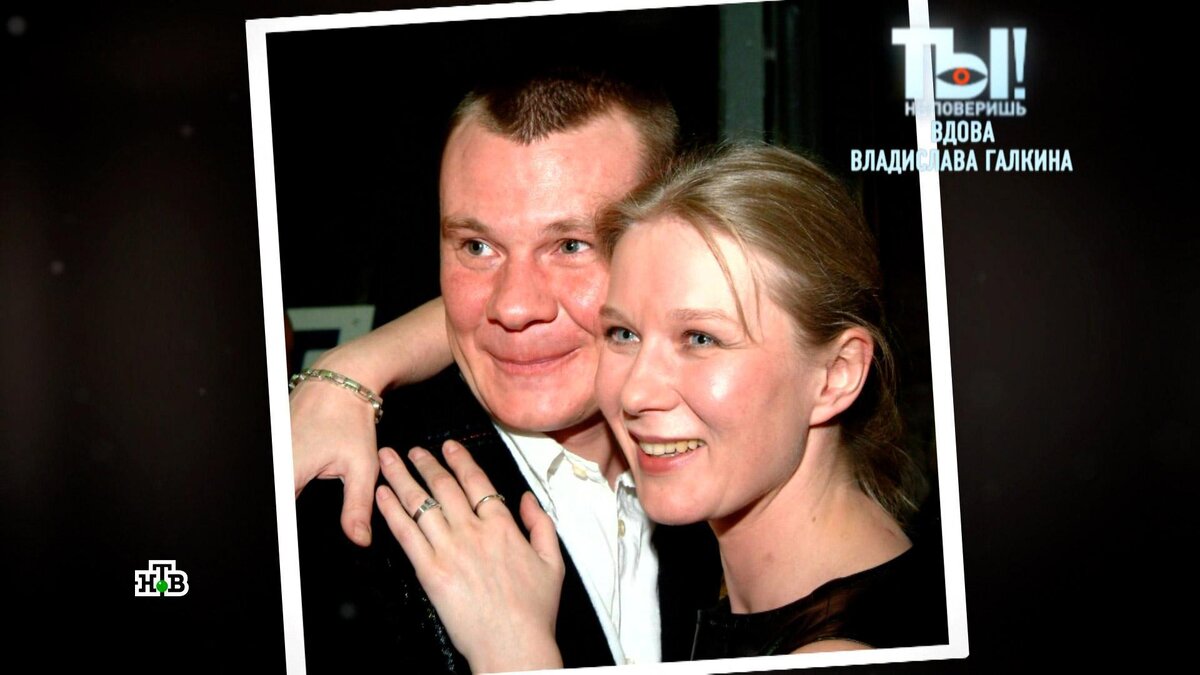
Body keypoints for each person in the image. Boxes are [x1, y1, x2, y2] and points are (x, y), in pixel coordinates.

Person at [372, 143, 947, 670]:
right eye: (622, 334)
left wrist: (516, 653)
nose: (635, 392)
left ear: (837, 374)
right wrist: (354, 371)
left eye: (700, 339)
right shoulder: (743, 571)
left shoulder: (841, 648)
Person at [290, 69, 720, 671]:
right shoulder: (341, 520)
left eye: (571, 245)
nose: (514, 306)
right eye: (477, 247)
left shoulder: (727, 465)